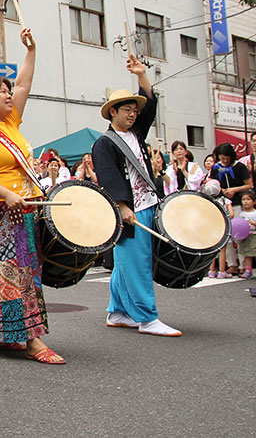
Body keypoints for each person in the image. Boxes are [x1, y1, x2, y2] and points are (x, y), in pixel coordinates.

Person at [0, 29, 64, 364]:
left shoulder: (12, 124)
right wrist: (6, 194)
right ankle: (33, 341)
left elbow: (23, 85)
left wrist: (31, 50)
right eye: (2, 92)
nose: (10, 95)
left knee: (9, 272)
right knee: (14, 273)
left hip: (23, 208)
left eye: (8, 91)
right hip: (3, 211)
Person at [92, 55, 181, 337]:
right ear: (112, 113)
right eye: (127, 110)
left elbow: (150, 107)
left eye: (134, 110)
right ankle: (147, 317)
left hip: (146, 204)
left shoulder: (136, 134)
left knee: (125, 263)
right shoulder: (104, 143)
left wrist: (142, 76)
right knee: (138, 263)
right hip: (129, 210)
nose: (132, 114)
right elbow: (109, 178)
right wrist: (122, 207)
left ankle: (117, 312)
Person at [209, 142, 252, 276]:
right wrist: (221, 190)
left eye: (227, 158)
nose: (224, 161)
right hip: (222, 204)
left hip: (238, 203)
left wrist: (234, 189)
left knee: (238, 236)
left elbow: (248, 185)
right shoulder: (216, 168)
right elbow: (211, 182)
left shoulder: (240, 167)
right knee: (226, 237)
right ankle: (231, 265)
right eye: (222, 158)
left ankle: (243, 265)